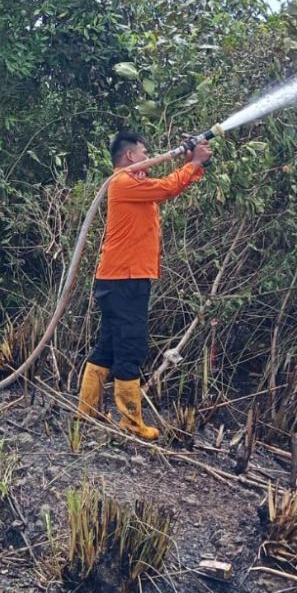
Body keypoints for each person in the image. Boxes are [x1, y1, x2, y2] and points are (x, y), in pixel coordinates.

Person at [77, 131, 212, 439]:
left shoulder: (131, 182)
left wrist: (193, 161)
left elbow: (163, 183)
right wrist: (194, 163)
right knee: (131, 346)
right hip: (125, 280)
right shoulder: (123, 183)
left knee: (109, 345)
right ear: (130, 156)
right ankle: (131, 423)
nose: (148, 155)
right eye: (144, 151)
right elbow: (166, 188)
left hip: (120, 279)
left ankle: (86, 411)